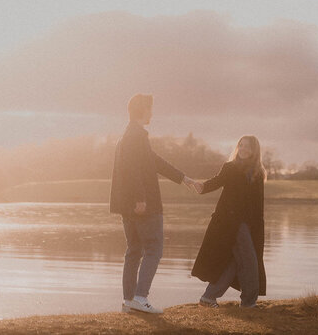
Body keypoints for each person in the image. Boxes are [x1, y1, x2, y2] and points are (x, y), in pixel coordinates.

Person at [109, 94, 199, 314]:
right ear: (142, 110)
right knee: (153, 248)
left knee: (134, 250)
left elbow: (154, 161)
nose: (152, 113)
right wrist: (140, 198)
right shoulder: (136, 136)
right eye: (150, 109)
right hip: (143, 204)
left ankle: (129, 300)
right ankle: (140, 297)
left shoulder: (129, 135)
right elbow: (132, 169)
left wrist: (182, 178)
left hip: (128, 205)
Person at [191, 135, 266, 308]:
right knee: (249, 261)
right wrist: (200, 186)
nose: (244, 149)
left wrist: (258, 229)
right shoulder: (230, 168)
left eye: (248, 146)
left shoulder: (258, 172)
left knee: (234, 263)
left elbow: (258, 205)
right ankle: (249, 303)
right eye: (241, 145)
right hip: (229, 223)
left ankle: (208, 298)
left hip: (248, 225)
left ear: (255, 150)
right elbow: (216, 182)